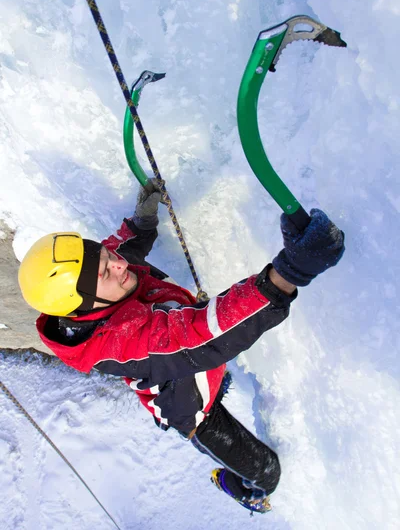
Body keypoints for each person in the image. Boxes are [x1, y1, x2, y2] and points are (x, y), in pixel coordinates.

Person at [18, 179, 345, 514]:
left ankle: (220, 386)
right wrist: (287, 274)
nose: (119, 264)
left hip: (199, 372)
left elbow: (122, 247)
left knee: (218, 378)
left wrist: (141, 221)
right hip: (192, 412)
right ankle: (242, 490)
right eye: (105, 270)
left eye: (107, 256)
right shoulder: (122, 342)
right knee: (267, 474)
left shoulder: (95, 287)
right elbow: (202, 334)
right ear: (83, 307)